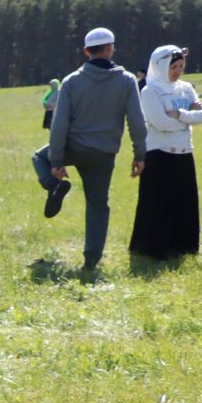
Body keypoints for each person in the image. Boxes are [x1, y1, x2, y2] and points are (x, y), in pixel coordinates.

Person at [34, 26, 148, 272]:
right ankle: (91, 260)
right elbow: (137, 122)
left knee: (37, 157)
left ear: (86, 51)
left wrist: (55, 161)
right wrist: (140, 155)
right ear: (111, 48)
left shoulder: (72, 81)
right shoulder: (127, 80)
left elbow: (59, 124)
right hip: (104, 154)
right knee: (97, 205)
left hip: (73, 147)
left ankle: (54, 185)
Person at [130, 44, 202, 260]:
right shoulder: (149, 90)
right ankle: (154, 248)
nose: (178, 71)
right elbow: (160, 123)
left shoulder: (186, 88)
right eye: (173, 67)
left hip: (184, 151)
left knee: (184, 201)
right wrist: (186, 120)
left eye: (181, 66)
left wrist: (180, 115)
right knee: (159, 202)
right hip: (159, 153)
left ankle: (183, 246)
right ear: (160, 66)